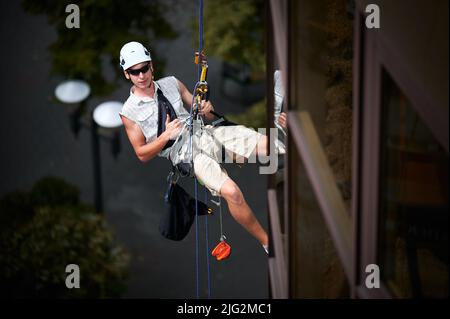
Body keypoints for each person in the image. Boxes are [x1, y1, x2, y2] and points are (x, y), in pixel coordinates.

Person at [118, 41, 277, 254]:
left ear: (151, 66)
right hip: (187, 155)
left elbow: (202, 110)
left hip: (204, 133)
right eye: (134, 72)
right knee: (233, 193)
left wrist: (207, 109)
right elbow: (141, 153)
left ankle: (294, 172)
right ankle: (267, 242)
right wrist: (166, 136)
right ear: (127, 74)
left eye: (144, 68)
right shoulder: (129, 112)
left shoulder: (171, 83)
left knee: (267, 143)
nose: (141, 75)